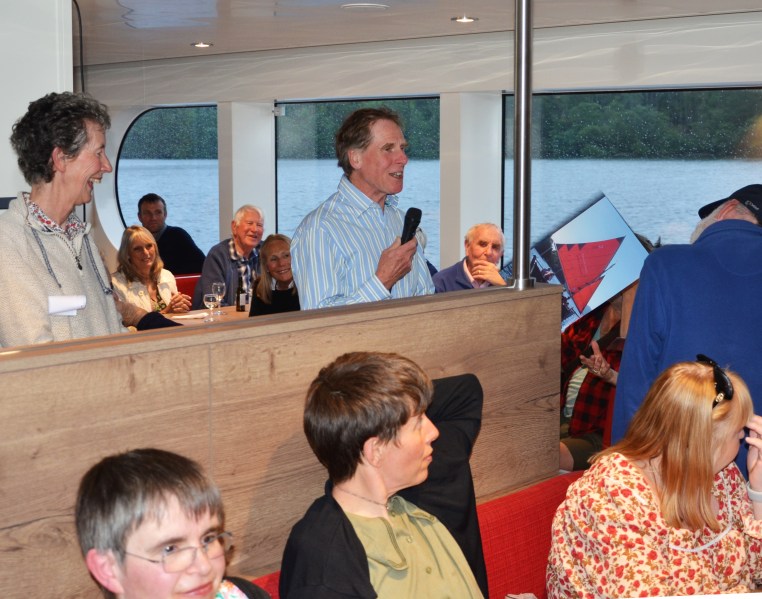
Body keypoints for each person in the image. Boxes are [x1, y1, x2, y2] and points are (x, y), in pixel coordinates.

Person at [548, 357, 762, 596]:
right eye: (738, 433)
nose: (744, 439)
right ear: (702, 443)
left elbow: (756, 570)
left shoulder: (721, 476)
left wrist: (758, 491)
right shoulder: (614, 493)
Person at [280, 351, 487, 598]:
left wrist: (386, 394)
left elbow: (466, 391)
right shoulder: (325, 557)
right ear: (376, 450)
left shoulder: (428, 482)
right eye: (418, 423)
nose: (433, 432)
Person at [613, 184, 762, 474]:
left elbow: (637, 380)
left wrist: (624, 466)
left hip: (673, 469)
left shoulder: (666, 265)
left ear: (728, 210)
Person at [0, 91, 125, 346]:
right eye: (98, 153)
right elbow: (36, 356)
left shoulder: (82, 238)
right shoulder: (9, 243)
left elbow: (114, 330)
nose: (107, 166)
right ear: (61, 158)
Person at [76, 448, 269, 599]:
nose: (204, 567)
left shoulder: (244, 593)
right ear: (108, 570)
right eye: (170, 549)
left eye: (208, 539)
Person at [291, 107, 434, 310]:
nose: (403, 159)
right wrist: (382, 281)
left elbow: (425, 299)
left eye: (402, 148)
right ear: (355, 158)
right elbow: (320, 321)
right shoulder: (320, 229)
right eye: (388, 149)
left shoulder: (401, 221)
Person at [192, 204, 264, 309]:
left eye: (259, 225)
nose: (255, 229)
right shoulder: (217, 255)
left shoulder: (266, 252)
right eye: (250, 223)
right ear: (234, 227)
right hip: (223, 317)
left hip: (258, 316)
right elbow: (214, 300)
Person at [111, 225, 191, 316]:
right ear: (127, 254)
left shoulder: (166, 276)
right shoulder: (116, 284)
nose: (146, 252)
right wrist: (167, 312)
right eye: (138, 249)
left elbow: (175, 314)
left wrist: (180, 307)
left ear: (155, 248)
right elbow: (125, 322)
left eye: (149, 246)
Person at [137, 193, 206, 275]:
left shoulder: (178, 236)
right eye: (147, 213)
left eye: (158, 212)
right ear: (139, 217)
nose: (153, 218)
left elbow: (204, 266)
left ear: (165, 215)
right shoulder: (135, 242)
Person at [432, 223, 507, 292]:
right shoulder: (442, 282)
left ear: (501, 254)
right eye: (483, 244)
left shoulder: (507, 282)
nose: (489, 252)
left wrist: (503, 286)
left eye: (495, 247)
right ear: (467, 246)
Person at [249, 234, 300, 317]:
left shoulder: (307, 287)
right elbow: (254, 322)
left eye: (286, 256)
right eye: (273, 259)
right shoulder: (260, 288)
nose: (281, 263)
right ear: (266, 266)